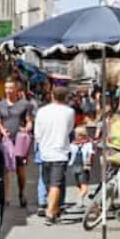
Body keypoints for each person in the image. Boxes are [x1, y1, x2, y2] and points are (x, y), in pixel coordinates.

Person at [33, 85, 78, 224]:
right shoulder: (69, 112)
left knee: (50, 183)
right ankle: (52, 211)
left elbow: (37, 132)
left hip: (44, 150)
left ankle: (51, 211)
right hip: (61, 151)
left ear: (51, 95)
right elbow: (70, 129)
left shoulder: (42, 111)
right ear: (65, 98)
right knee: (55, 184)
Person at [0, 77, 35, 208]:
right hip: (5, 140)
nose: (8, 90)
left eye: (11, 88)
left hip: (19, 140)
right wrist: (2, 130)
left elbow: (29, 120)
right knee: (5, 169)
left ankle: (21, 193)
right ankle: (6, 196)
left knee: (20, 169)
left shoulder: (25, 105)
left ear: (17, 89)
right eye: (6, 88)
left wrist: (28, 127)